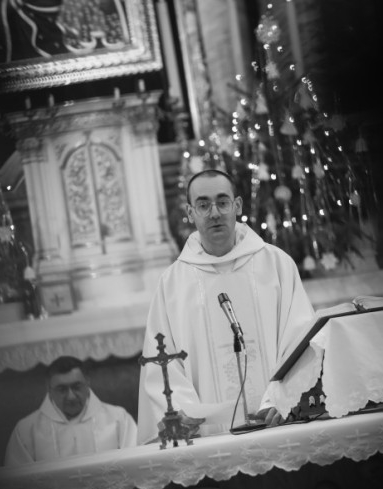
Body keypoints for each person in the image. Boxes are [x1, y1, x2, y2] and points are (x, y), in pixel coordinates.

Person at [136, 169, 318, 444]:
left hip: (278, 425)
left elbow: (300, 339)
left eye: (222, 202)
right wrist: (184, 413)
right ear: (190, 212)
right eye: (203, 205)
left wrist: (284, 398)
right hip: (210, 441)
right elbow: (162, 359)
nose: (214, 213)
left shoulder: (276, 265)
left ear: (237, 205)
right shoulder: (173, 284)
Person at [4, 356, 138, 465]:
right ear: (48, 388)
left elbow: (135, 464)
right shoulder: (26, 430)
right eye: (62, 389)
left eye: (77, 387)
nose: (71, 396)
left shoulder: (119, 418)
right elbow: (17, 481)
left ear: (88, 382)